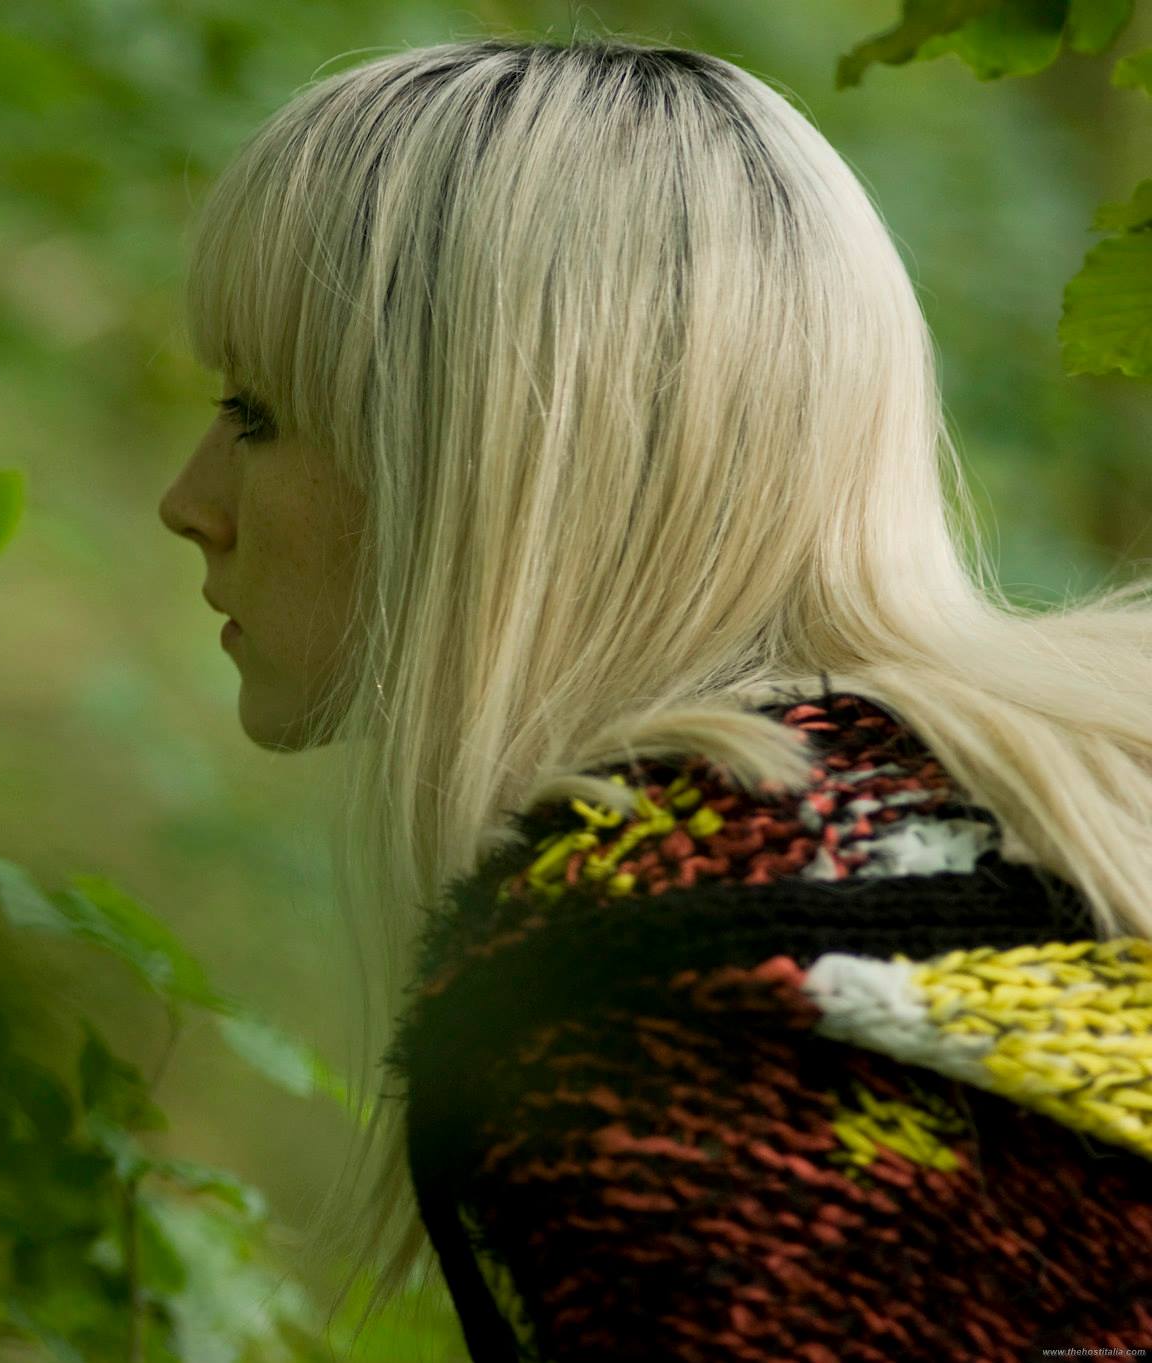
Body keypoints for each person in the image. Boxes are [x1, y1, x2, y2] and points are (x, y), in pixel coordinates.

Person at [158, 34, 1152, 1362]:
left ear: (486, 454)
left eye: (257, 413)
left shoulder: (657, 978)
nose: (189, 502)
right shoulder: (1069, 816)